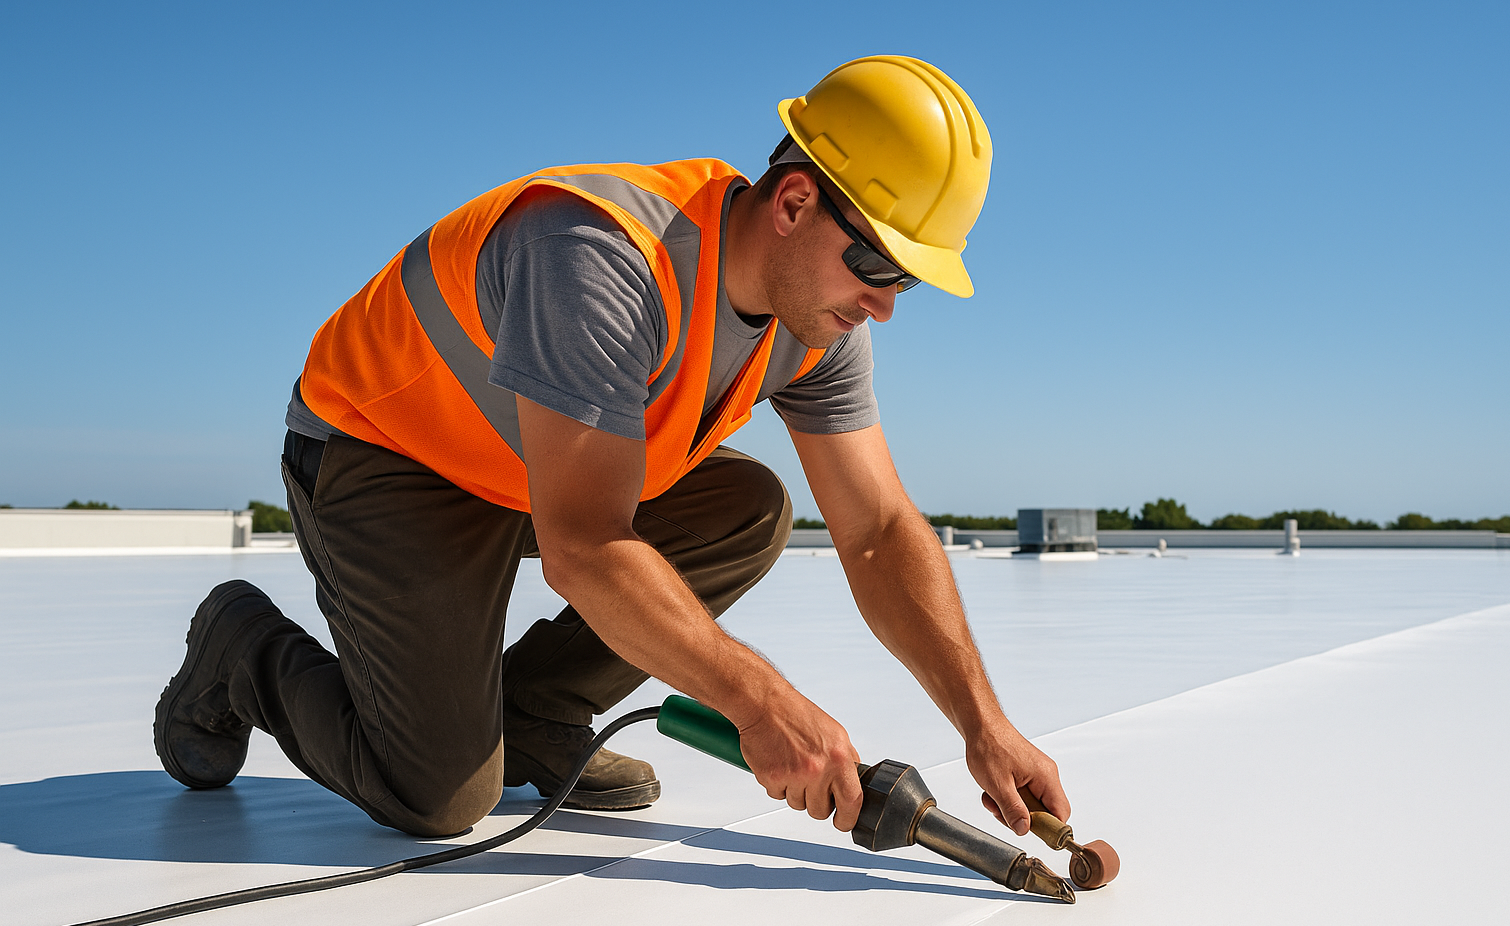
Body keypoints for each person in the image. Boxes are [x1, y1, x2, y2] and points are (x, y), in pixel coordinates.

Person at [154, 55, 1072, 842]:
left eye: (906, 279)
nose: (885, 304)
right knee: (436, 795)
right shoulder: (601, 255)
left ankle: (535, 714)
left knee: (745, 512)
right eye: (879, 267)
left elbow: (875, 531)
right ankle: (241, 649)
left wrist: (982, 725)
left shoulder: (817, 319)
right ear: (794, 202)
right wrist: (759, 703)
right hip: (387, 459)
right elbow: (585, 545)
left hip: (521, 468)